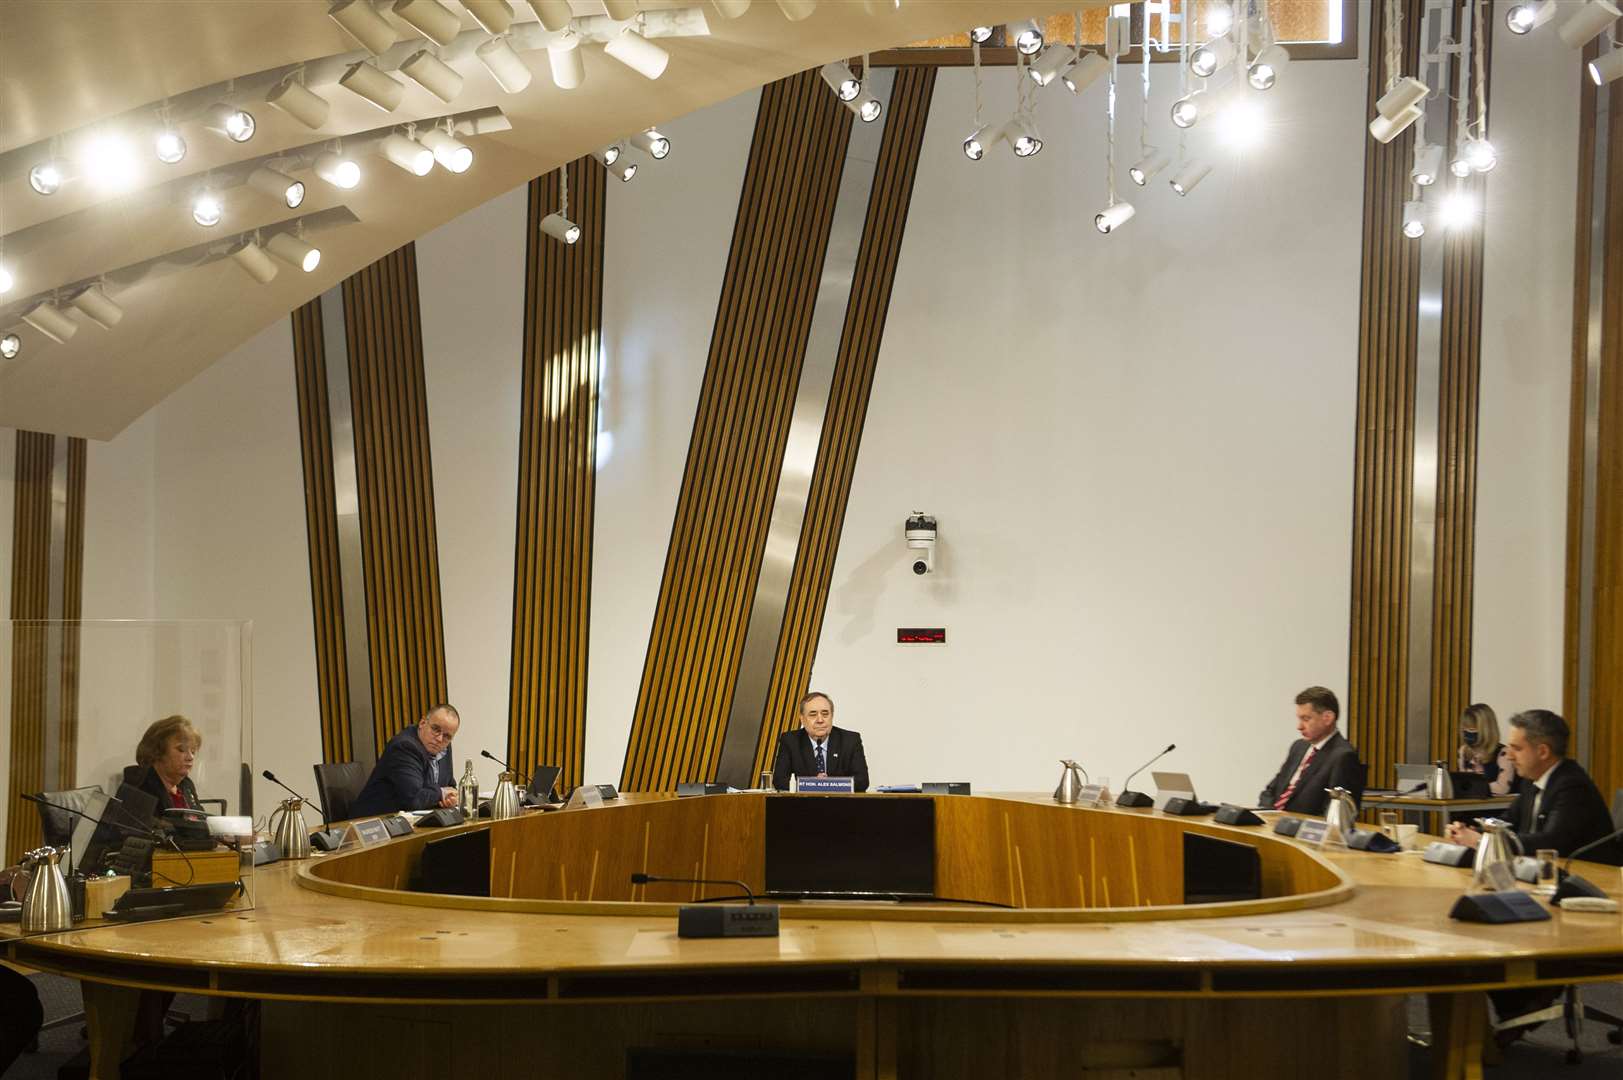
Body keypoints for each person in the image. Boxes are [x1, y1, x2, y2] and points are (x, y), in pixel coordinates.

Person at [1445, 709, 1621, 863]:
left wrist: (1480, 841)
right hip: (1542, 874)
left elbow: (1551, 842)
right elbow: (1507, 821)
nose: (1511, 756)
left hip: (1592, 883)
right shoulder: (1532, 780)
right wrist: (1472, 830)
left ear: (1543, 752)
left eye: (1517, 748)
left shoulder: (1572, 785)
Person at [1257, 686, 1365, 815]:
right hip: (1274, 825)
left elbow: (1336, 812)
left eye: (1306, 719)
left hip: (1303, 831)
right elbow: (1271, 791)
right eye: (1299, 719)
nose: (1299, 727)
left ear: (1328, 718)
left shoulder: (1343, 756)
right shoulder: (1298, 747)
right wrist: (1268, 816)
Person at [350, 705, 461, 818]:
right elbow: (413, 799)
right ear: (422, 723)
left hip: (415, 821)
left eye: (447, 736)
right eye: (436, 729)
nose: (439, 739)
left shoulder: (444, 748)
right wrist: (441, 794)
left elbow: (449, 785)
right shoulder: (404, 746)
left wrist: (451, 799)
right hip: (375, 823)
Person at [770, 692, 869, 792]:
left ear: (832, 716)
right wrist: (813, 784)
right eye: (813, 715)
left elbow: (862, 781)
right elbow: (779, 781)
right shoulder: (790, 741)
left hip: (840, 804)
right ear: (802, 719)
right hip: (803, 804)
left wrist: (828, 784)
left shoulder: (850, 740)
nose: (820, 720)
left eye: (825, 714)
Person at [131, 715, 205, 812]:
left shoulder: (186, 784)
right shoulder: (140, 785)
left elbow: (200, 821)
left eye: (193, 751)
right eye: (182, 749)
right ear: (157, 751)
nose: (190, 757)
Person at [1456, 702, 1516, 797]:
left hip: (1493, 809)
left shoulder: (1504, 753)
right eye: (1465, 729)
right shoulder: (1463, 751)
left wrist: (1471, 788)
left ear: (1486, 729)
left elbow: (1502, 788)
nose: (1467, 733)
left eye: (1472, 729)